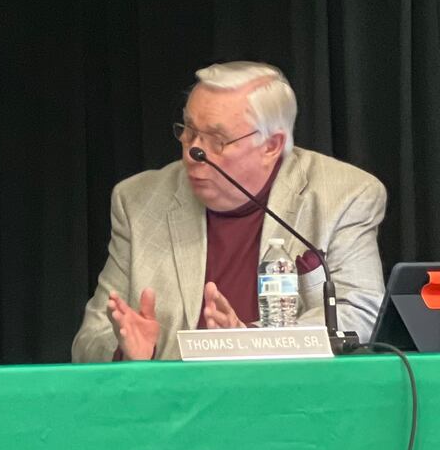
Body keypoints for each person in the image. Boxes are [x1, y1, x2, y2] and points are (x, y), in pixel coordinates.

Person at [73, 61, 386, 362]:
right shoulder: (139, 201)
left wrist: (247, 342)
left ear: (271, 145)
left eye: (217, 140)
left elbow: (357, 315)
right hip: (173, 407)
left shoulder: (344, 194)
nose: (194, 151)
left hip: (289, 402)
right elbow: (89, 341)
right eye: (189, 131)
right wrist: (127, 352)